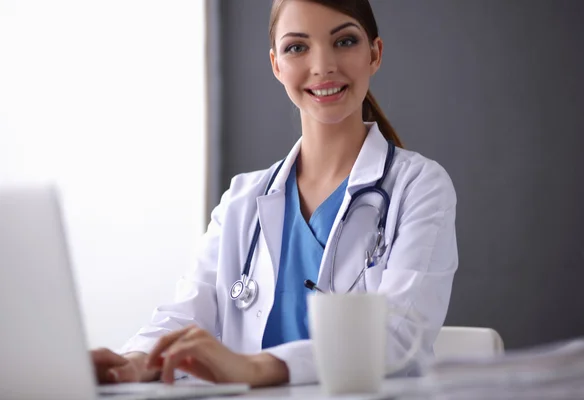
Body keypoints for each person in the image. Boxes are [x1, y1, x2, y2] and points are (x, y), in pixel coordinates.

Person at [91, 0, 458, 388]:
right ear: (276, 64)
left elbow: (398, 338)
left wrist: (255, 368)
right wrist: (131, 363)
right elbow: (185, 315)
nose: (323, 66)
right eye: (297, 47)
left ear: (374, 54)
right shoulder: (242, 200)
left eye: (345, 41)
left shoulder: (419, 187)